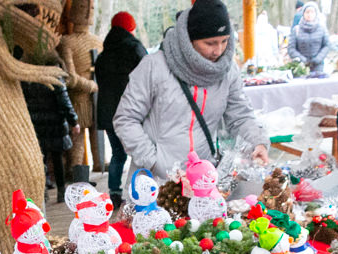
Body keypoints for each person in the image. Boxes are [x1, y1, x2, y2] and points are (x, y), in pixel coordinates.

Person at [114, 0, 269, 190]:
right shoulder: (154, 66)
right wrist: (155, 162)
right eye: (210, 43)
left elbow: (240, 116)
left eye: (224, 41)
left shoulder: (228, 71)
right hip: (157, 183)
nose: (218, 51)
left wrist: (258, 142)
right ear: (189, 40)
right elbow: (125, 119)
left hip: (204, 182)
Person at [95, 11, 147, 209]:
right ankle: (139, 192)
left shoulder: (102, 56)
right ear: (131, 28)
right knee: (139, 152)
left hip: (109, 112)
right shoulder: (135, 49)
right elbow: (148, 77)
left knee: (118, 153)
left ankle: (115, 194)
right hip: (132, 111)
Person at [22, 62, 81, 203]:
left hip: (35, 124)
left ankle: (43, 193)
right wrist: (74, 121)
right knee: (57, 158)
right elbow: (64, 101)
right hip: (55, 123)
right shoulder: (55, 75)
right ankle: (61, 191)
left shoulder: (29, 74)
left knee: (40, 160)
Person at [287, 2, 331, 74]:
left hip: (318, 67)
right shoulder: (296, 30)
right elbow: (291, 48)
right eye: (307, 12)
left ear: (316, 13)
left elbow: (327, 45)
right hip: (300, 67)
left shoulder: (322, 29)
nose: (309, 15)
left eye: (312, 12)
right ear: (303, 14)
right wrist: (303, 60)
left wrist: (318, 59)